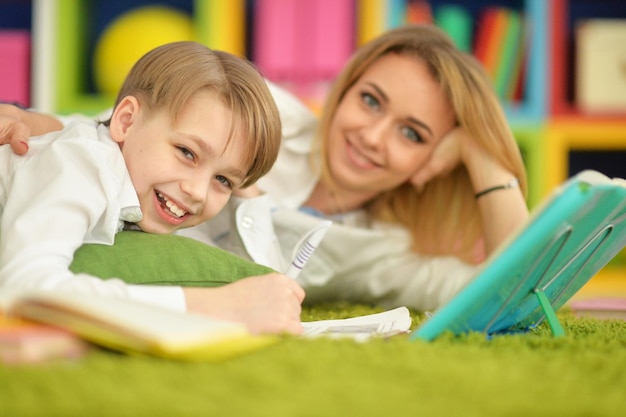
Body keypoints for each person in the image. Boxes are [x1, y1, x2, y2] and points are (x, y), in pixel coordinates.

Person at [1, 24, 528, 312]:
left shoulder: (383, 249)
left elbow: (513, 288)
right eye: (370, 101)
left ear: (429, 162)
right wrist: (24, 120)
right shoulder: (260, 117)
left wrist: (482, 156)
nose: (372, 136)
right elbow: (111, 134)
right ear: (344, 90)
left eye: (412, 134)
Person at [0, 41, 305, 335]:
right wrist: (206, 306)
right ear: (127, 121)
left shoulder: (145, 196)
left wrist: (248, 195)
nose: (198, 192)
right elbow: (24, 287)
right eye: (187, 152)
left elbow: (262, 275)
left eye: (224, 180)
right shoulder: (81, 162)